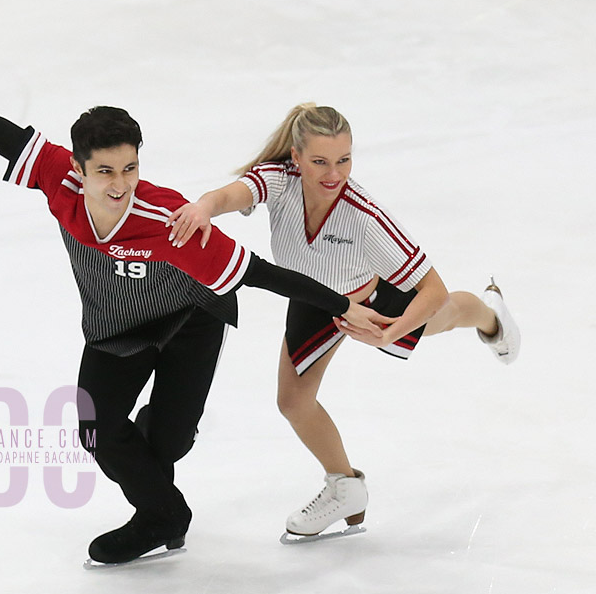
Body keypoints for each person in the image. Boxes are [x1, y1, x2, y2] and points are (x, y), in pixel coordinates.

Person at [0, 29, 396, 563]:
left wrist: (342, 305)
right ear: (78, 168)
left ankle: (157, 501)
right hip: (116, 328)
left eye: (130, 168)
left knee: (169, 446)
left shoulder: (166, 219)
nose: (119, 184)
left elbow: (258, 272)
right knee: (97, 430)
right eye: (104, 171)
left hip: (190, 319)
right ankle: (164, 516)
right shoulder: (54, 177)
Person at [166, 103, 521, 537]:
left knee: (442, 316)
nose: (333, 174)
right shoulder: (279, 181)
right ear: (295, 158)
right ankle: (346, 487)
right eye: (319, 161)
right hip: (314, 301)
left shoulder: (366, 217)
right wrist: (204, 206)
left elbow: (433, 289)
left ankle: (490, 314)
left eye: (343, 160)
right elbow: (229, 195)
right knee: (293, 402)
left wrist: (389, 331)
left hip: (370, 301)